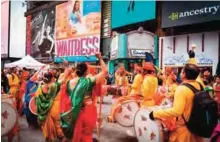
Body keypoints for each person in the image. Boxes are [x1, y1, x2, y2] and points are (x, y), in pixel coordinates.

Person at [149, 63, 204, 142]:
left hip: (184, 131)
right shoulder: (199, 85)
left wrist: (155, 113)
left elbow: (177, 111)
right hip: (196, 127)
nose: (180, 74)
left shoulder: (182, 88)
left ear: (184, 74)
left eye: (181, 72)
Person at [60, 53, 107, 142]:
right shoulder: (89, 81)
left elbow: (65, 96)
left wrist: (66, 66)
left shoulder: (69, 83)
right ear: (86, 72)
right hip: (87, 113)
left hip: (74, 112)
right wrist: (100, 58)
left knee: (77, 134)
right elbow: (105, 71)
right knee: (86, 135)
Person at [34, 62, 71, 142]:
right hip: (53, 107)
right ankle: (61, 137)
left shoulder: (40, 87)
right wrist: (66, 66)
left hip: (44, 111)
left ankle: (49, 138)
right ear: (51, 78)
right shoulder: (53, 86)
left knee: (47, 125)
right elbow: (64, 77)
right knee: (57, 123)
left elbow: (36, 99)